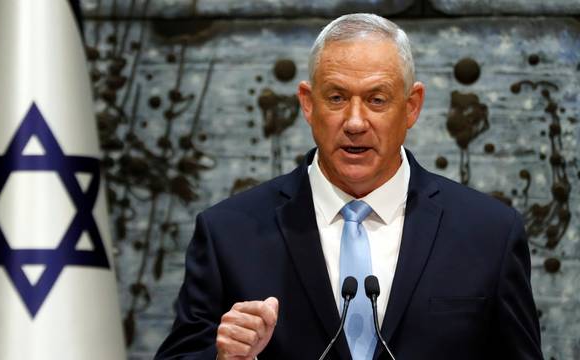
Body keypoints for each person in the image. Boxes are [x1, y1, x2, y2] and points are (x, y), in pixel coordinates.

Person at [155, 13, 543, 360]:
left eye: (377, 100)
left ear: (411, 107)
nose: (355, 122)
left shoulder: (488, 233)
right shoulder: (229, 232)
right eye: (337, 97)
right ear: (308, 104)